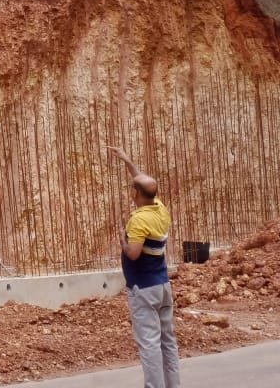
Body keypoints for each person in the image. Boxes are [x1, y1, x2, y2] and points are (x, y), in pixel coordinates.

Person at [107, 145, 181, 388]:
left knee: (149, 344)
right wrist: (128, 161)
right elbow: (144, 183)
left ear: (135, 194)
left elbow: (134, 254)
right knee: (167, 341)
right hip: (162, 286)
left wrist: (122, 239)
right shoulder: (159, 208)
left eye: (132, 189)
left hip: (143, 288)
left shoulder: (139, 220)